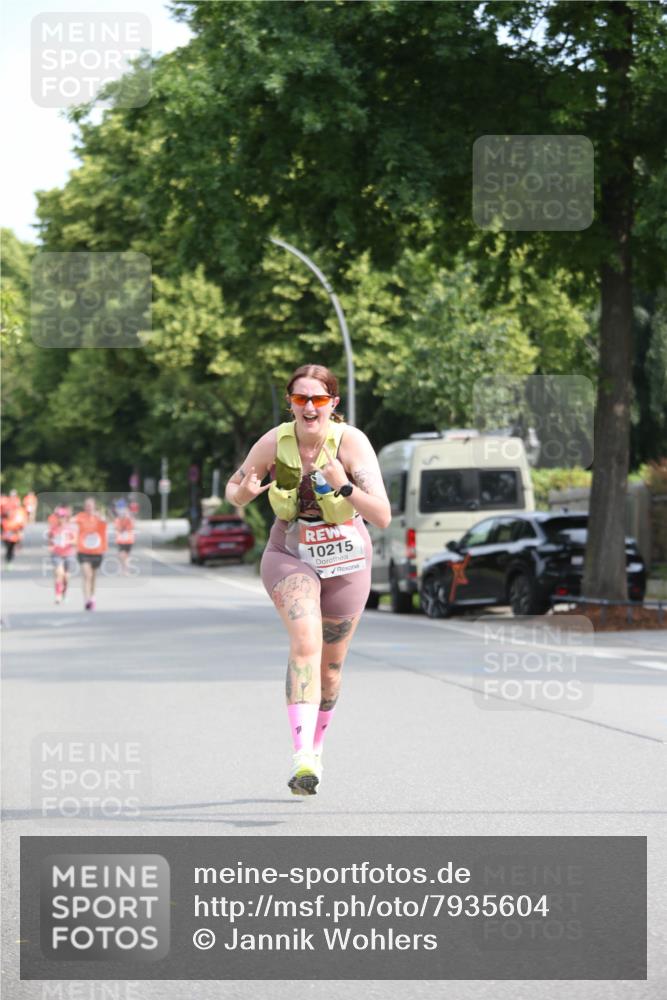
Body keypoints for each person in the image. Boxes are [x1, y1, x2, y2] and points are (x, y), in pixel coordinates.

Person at [225, 364, 391, 796]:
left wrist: (343, 485)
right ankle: (300, 754)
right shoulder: (275, 441)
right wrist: (245, 493)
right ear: (291, 403)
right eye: (301, 399)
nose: (310, 407)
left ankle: (314, 752)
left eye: (318, 399)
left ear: (333, 403)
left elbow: (383, 516)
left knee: (331, 669)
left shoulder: (351, 443)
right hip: (290, 552)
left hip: (347, 558)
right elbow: (234, 489)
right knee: (305, 641)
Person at [73, 497, 108, 610]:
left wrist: (102, 517)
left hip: (97, 551)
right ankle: (87, 599)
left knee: (93, 577)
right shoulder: (80, 517)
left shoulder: (99, 518)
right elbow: (71, 522)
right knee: (87, 575)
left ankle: (92, 596)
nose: (88, 508)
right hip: (83, 551)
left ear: (94, 506)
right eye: (86, 506)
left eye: (90, 505)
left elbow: (107, 523)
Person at [48, 506, 76, 603]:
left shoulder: (70, 528)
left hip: (68, 553)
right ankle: (58, 595)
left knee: (66, 577)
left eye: (62, 516)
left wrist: (68, 541)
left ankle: (64, 593)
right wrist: (51, 545)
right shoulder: (53, 528)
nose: (61, 518)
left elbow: (75, 540)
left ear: (66, 517)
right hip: (57, 553)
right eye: (59, 516)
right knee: (59, 574)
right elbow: (50, 539)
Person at [2, 500, 27, 568]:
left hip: (13, 538)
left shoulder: (16, 521)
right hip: (6, 538)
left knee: (11, 550)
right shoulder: (4, 521)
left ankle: (9, 561)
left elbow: (20, 527)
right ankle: (8, 561)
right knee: (8, 549)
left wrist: (20, 535)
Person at [113, 500, 135, 575]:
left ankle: (125, 569)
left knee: (125, 555)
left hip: (128, 539)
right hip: (121, 539)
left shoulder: (129, 517)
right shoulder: (118, 519)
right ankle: (124, 568)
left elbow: (132, 526)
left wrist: (127, 518)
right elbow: (117, 528)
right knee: (121, 555)